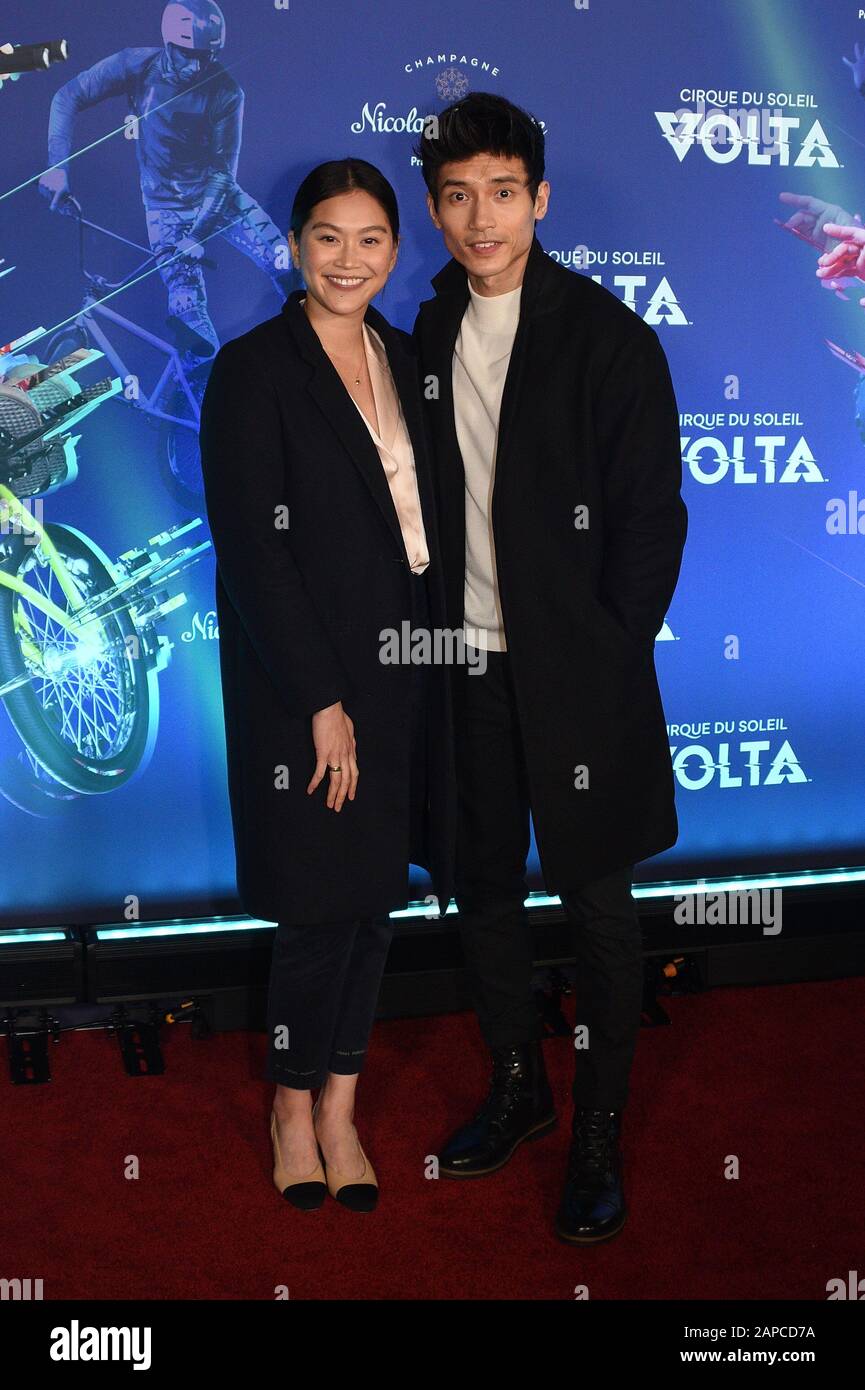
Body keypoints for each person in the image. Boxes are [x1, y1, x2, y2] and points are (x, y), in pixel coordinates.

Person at [412, 92, 688, 1243]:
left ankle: (597, 1130)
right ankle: (521, 1089)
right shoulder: (423, 329)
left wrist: (605, 653)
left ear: (540, 197)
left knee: (600, 907)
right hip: (463, 670)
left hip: (576, 680)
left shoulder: (605, 334)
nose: (482, 218)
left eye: (503, 193)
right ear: (435, 208)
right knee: (480, 888)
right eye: (458, 196)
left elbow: (650, 524)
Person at [199, 158, 455, 1213]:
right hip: (302, 683)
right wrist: (321, 699)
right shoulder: (253, 369)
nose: (350, 259)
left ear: (396, 251)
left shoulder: (409, 357)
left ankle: (341, 1104)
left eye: (371, 240)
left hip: (410, 671)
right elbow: (256, 557)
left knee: (373, 906)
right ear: (296, 246)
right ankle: (289, 1108)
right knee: (314, 908)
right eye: (328, 237)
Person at [39, 1, 292, 373]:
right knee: (191, 320)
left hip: (218, 199)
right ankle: (206, 403)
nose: (196, 66)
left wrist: (198, 234)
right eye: (187, 55)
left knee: (285, 262)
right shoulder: (136, 65)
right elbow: (67, 96)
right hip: (165, 209)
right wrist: (57, 169)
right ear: (169, 43)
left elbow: (223, 175)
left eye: (205, 56)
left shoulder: (226, 91)